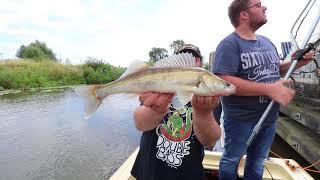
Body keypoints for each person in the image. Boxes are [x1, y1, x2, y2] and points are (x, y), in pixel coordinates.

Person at [212, 0, 316, 179]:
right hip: (240, 121)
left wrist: (297, 63)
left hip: (269, 118)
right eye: (258, 4)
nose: (265, 7)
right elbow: (223, 80)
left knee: (259, 161)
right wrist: (269, 89)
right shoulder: (229, 44)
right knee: (231, 160)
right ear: (244, 14)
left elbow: (275, 69)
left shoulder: (267, 42)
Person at [131, 44, 222, 180]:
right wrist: (157, 111)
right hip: (148, 172)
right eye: (184, 56)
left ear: (202, 66)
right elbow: (140, 123)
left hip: (188, 174)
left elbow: (210, 141)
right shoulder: (159, 86)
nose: (190, 61)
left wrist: (203, 114)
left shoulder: (209, 96)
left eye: (195, 58)